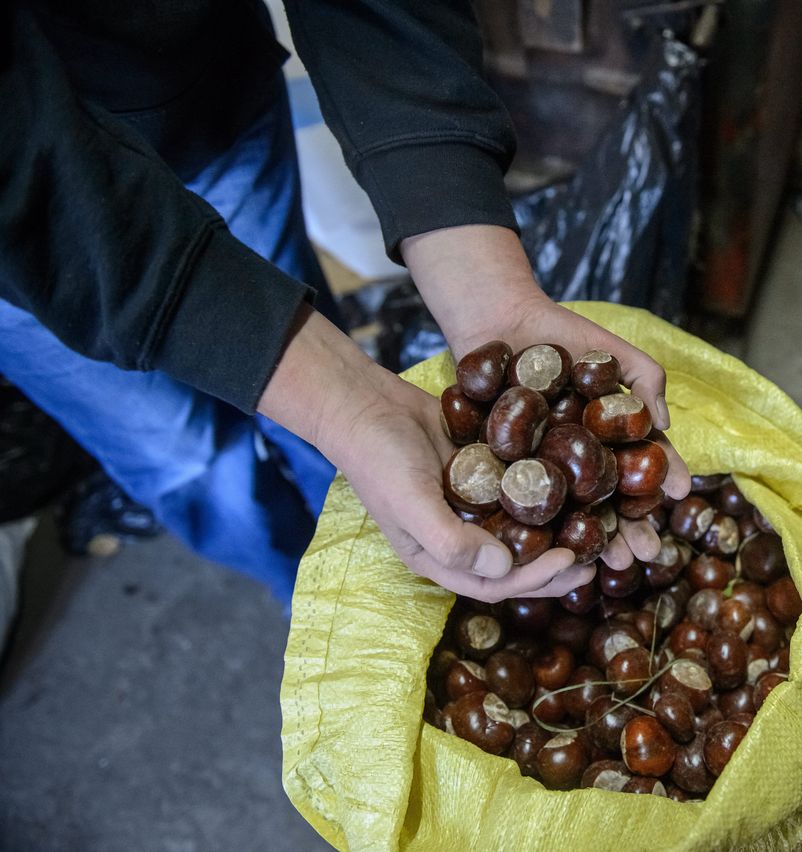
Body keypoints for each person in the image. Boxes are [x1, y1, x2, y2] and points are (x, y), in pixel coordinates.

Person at [0, 1, 689, 604]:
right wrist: (329, 396)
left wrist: (480, 281)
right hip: (28, 249)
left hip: (199, 98)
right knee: (187, 460)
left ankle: (360, 570)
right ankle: (303, 595)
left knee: (334, 438)